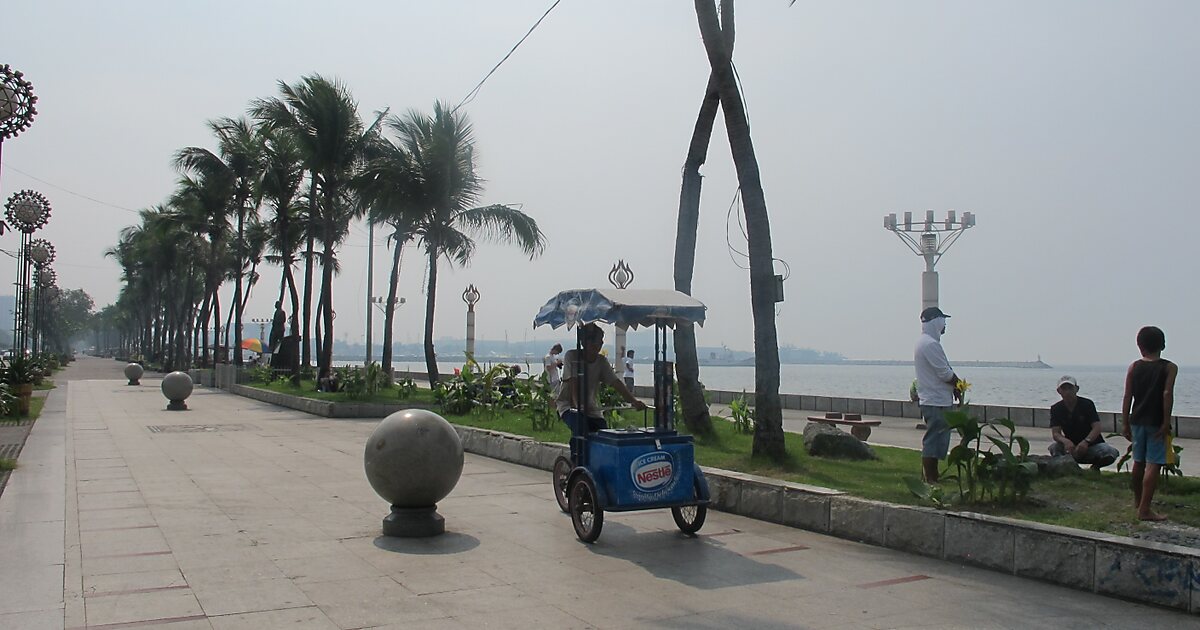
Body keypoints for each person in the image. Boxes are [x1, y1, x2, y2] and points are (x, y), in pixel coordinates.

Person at [1121, 326, 1178, 522]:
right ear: (1162, 344)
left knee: (1138, 461)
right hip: (1155, 421)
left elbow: (1127, 395)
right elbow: (1167, 394)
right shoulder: (1169, 367)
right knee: (1154, 463)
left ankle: (1138, 502)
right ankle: (1145, 509)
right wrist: (1166, 422)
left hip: (1137, 420)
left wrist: (1125, 422)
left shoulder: (1134, 367)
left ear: (1140, 346)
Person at [556, 323, 645, 433]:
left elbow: (616, 382)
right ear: (584, 342)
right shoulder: (572, 356)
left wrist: (634, 401)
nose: (598, 345)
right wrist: (578, 405)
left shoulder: (601, 361)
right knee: (581, 428)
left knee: (603, 433)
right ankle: (577, 449)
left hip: (591, 408)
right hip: (569, 406)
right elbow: (573, 381)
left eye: (600, 342)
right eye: (594, 342)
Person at [914, 306, 962, 483]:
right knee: (933, 440)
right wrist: (959, 385)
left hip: (934, 398)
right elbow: (945, 373)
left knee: (937, 440)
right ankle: (931, 478)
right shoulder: (930, 344)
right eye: (943, 321)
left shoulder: (924, 342)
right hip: (936, 401)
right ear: (936, 321)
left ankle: (932, 476)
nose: (945, 325)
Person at [1049, 375, 1119, 469]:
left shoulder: (1087, 404)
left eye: (1070, 388)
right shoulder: (1056, 408)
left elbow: (1097, 427)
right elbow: (1056, 433)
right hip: (1071, 447)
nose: (1068, 392)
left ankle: (1096, 466)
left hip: (1092, 445)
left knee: (1109, 451)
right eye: (1064, 389)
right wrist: (1066, 441)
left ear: (1076, 389)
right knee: (1054, 448)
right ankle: (1068, 467)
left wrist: (1086, 442)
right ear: (1059, 391)